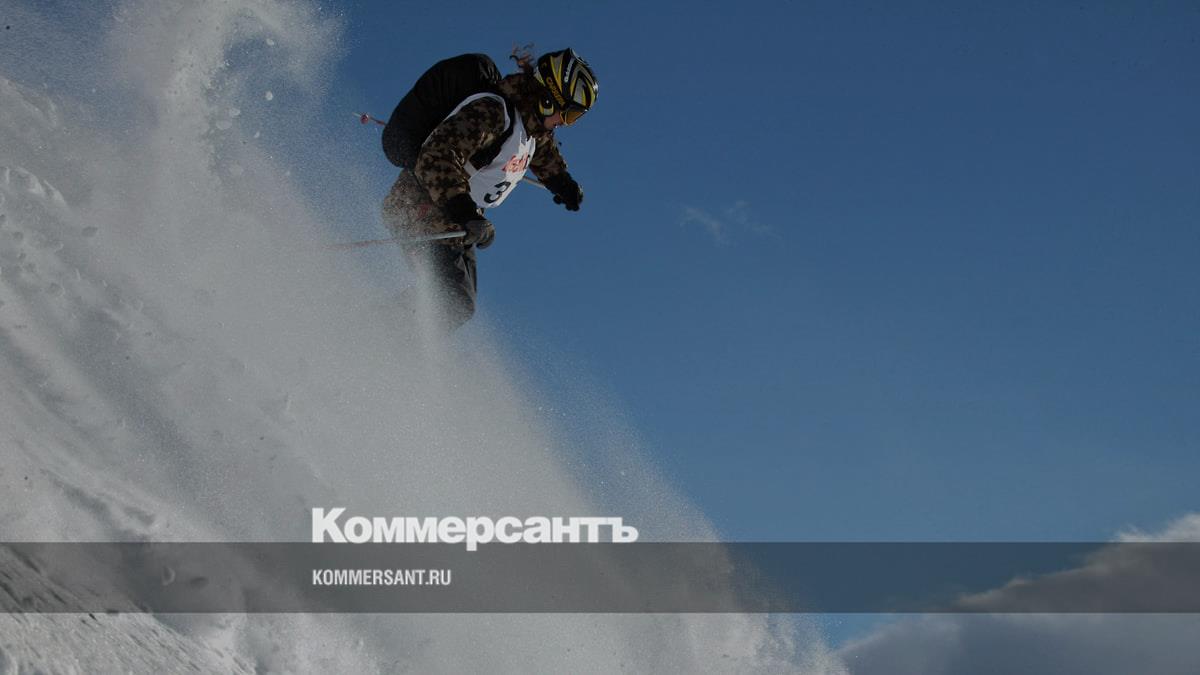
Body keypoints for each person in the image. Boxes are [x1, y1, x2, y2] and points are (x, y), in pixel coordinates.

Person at [381, 47, 598, 331]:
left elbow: (542, 151)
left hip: (454, 219)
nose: (567, 124)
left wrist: (562, 182)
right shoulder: (493, 113)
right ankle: (372, 332)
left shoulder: (530, 128)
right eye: (570, 114)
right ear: (549, 99)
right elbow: (437, 156)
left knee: (458, 304)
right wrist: (464, 212)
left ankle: (388, 334)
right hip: (418, 207)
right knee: (452, 300)